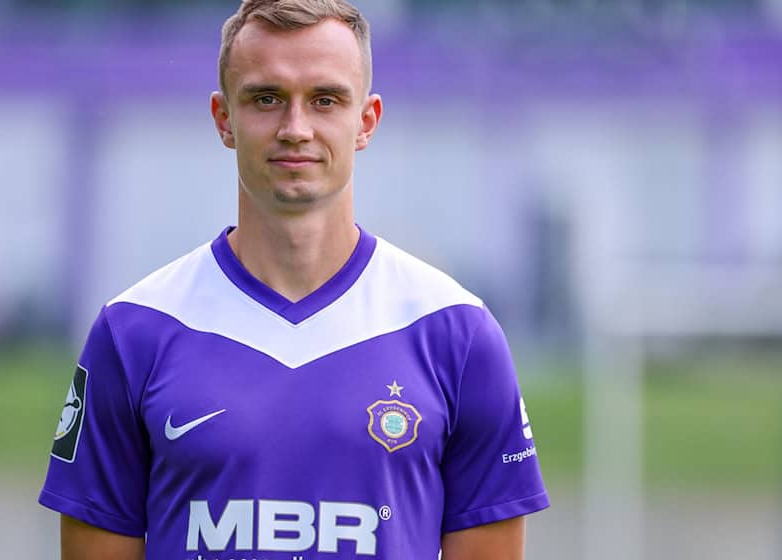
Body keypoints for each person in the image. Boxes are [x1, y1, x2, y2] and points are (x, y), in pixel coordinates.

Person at [39, 0, 549, 558]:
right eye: (266, 99)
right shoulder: (135, 331)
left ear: (366, 121)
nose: (296, 128)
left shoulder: (456, 333)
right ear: (223, 119)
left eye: (325, 100)